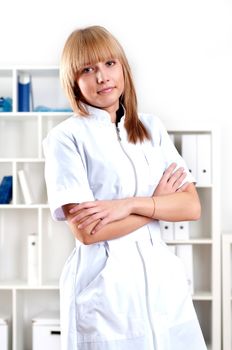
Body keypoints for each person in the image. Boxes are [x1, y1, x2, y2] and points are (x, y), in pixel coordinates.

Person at [43, 25, 207, 350]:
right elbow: (87, 232)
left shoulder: (150, 128)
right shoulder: (66, 138)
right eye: (87, 69)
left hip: (161, 285)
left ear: (122, 67)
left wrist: (129, 204)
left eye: (108, 64)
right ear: (73, 81)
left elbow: (191, 206)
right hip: (105, 292)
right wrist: (157, 203)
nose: (102, 77)